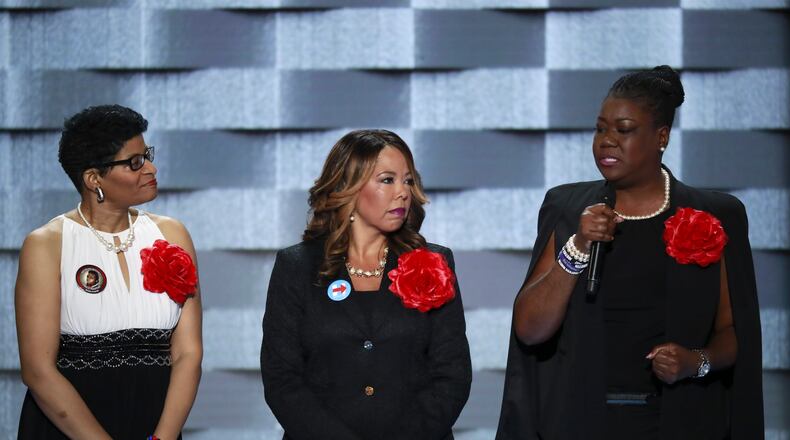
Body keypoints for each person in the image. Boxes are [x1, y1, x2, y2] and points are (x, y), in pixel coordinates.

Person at [496, 66, 763, 439]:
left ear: (661, 137)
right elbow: (529, 330)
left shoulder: (714, 215)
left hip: (680, 421)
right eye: (601, 129)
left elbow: (734, 333)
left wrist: (695, 362)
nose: (607, 141)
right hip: (579, 420)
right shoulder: (568, 208)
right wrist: (579, 245)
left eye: (623, 130)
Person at [260, 129, 472, 440]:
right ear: (348, 186)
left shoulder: (435, 262)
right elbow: (282, 380)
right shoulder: (296, 266)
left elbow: (452, 376)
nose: (402, 192)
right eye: (387, 180)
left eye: (408, 181)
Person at [15, 105, 203, 439]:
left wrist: (164, 436)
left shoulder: (172, 235)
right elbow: (38, 370)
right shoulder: (46, 245)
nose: (151, 169)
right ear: (93, 179)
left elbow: (188, 352)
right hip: (70, 428)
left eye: (147, 155)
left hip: (154, 425)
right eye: (135, 162)